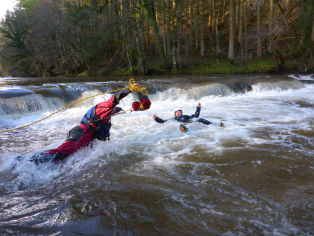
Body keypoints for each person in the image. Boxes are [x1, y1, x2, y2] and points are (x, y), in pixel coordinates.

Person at [30, 85, 151, 164]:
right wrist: (128, 89)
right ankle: (30, 161)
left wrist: (138, 107)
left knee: (63, 156)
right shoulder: (103, 106)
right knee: (61, 152)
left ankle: (40, 163)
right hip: (82, 132)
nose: (113, 105)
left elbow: (123, 110)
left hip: (85, 134)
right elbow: (116, 99)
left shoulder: (110, 110)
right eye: (110, 102)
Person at [152, 102, 224, 132]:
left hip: (190, 123)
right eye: (177, 112)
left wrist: (198, 108)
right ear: (175, 114)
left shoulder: (185, 116)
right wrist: (156, 118)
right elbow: (163, 122)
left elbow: (196, 116)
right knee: (181, 125)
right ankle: (185, 129)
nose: (179, 112)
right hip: (181, 125)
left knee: (200, 119)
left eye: (180, 111)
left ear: (182, 113)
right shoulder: (173, 119)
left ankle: (216, 125)